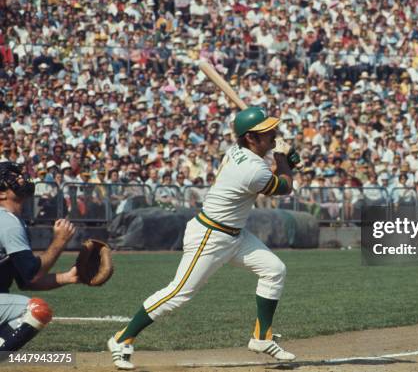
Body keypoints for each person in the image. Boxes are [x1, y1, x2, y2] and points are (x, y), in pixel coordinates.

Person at [108, 107, 300, 370]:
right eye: (266, 132)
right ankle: (122, 338)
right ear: (249, 139)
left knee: (274, 270)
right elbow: (285, 186)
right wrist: (284, 158)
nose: (273, 134)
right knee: (178, 293)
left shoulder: (241, 152)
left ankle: (261, 338)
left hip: (234, 234)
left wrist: (280, 155)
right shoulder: (252, 170)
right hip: (210, 236)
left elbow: (275, 172)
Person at [0, 162, 78, 357]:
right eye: (11, 177)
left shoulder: (11, 220)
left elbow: (27, 281)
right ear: (1, 194)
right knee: (36, 310)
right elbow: (32, 272)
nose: (20, 178)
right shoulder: (7, 222)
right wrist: (59, 241)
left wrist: (68, 277)